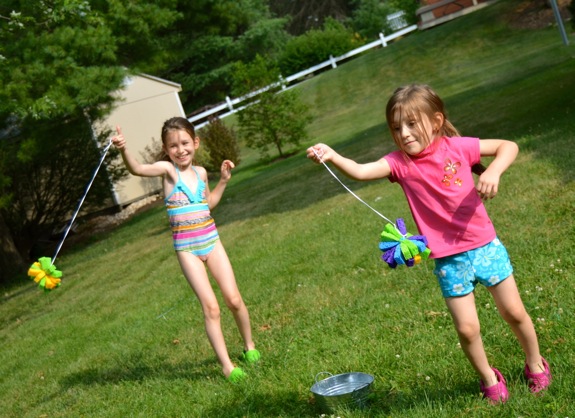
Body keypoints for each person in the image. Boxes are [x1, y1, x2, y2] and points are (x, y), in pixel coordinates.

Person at [307, 84, 551, 404]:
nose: (404, 133)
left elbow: (508, 146)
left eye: (411, 124)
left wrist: (494, 171)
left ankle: (535, 363)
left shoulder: (457, 147)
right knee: (466, 329)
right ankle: (489, 379)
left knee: (515, 312)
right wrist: (333, 155)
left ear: (435, 121)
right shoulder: (399, 163)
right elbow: (363, 171)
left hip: (484, 246)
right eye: (396, 127)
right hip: (449, 260)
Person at [112, 117, 260, 383]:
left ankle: (249, 346)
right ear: (166, 150)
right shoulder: (168, 172)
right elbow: (137, 169)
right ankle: (228, 366)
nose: (180, 150)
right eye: (173, 146)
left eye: (184, 143)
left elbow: (208, 204)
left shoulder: (201, 173)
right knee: (211, 308)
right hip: (187, 250)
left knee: (234, 299)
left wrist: (223, 181)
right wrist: (124, 150)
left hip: (212, 242)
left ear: (195, 142)